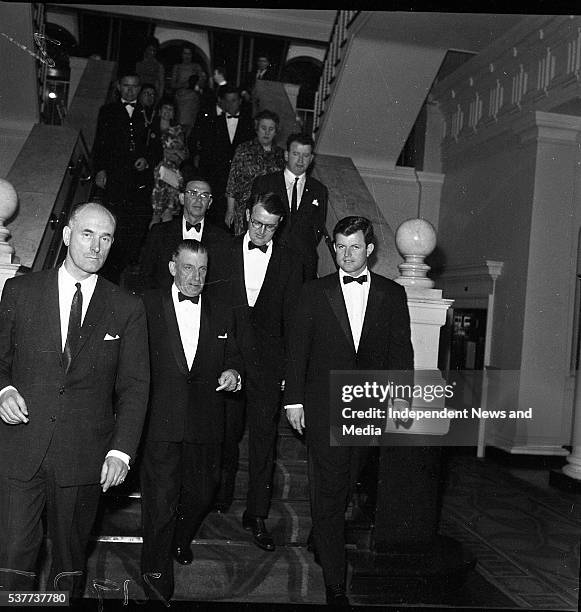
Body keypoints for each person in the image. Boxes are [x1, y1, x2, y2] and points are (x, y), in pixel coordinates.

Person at [0, 202, 150, 595]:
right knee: (12, 558)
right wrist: (4, 389)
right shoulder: (20, 290)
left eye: (106, 238)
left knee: (68, 564)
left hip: (84, 457)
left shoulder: (127, 307)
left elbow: (135, 387)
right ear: (67, 235)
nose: (96, 246)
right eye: (87, 234)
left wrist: (121, 452)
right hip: (21, 448)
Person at [284, 216, 414, 605]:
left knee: (346, 484)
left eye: (354, 247)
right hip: (323, 407)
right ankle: (335, 585)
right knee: (329, 487)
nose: (346, 254)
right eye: (340, 246)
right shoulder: (313, 292)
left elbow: (400, 351)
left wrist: (402, 397)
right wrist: (294, 400)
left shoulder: (392, 294)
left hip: (367, 409)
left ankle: (322, 531)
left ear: (370, 250)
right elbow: (297, 351)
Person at [140, 239, 242, 603]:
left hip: (205, 420)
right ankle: (154, 570)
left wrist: (233, 372)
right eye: (187, 268)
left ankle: (179, 539)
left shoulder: (222, 311)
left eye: (202, 270)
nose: (195, 277)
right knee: (161, 499)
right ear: (172, 268)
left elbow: (234, 357)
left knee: (202, 492)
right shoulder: (146, 305)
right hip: (160, 420)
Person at [215, 193, 302, 552]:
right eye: (256, 223)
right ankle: (219, 495)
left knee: (264, 442)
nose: (262, 231)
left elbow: (294, 323)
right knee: (223, 433)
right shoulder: (221, 251)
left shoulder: (291, 262)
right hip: (227, 360)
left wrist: (287, 372)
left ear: (279, 225)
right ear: (247, 214)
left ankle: (257, 513)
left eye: (270, 226)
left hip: (268, 365)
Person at [93, 73, 155, 283]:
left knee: (136, 221)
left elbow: (156, 145)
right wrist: (100, 170)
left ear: (139, 88)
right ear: (119, 87)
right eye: (126, 86)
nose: (130, 90)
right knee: (114, 220)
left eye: (134, 86)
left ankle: (129, 259)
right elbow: (100, 142)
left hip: (139, 179)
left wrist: (147, 159)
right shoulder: (108, 111)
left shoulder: (148, 112)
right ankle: (112, 267)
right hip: (116, 176)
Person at [251, 133, 328, 281]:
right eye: (295, 154)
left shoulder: (319, 190)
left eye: (306, 155)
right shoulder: (265, 183)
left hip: (303, 263)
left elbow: (317, 227)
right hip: (268, 258)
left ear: (311, 159)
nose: (300, 160)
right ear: (286, 155)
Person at [140, 176, 232, 296]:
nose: (198, 200)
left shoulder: (222, 238)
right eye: (193, 193)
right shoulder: (159, 232)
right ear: (182, 198)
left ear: (209, 203)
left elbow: (222, 283)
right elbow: (146, 275)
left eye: (204, 195)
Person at [188, 85, 254, 229]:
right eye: (228, 101)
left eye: (234, 100)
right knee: (216, 221)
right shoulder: (212, 122)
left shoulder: (250, 123)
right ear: (222, 102)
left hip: (240, 182)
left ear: (240, 101)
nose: (231, 104)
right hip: (217, 181)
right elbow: (206, 154)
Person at [225, 109, 285, 234]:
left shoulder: (281, 154)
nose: (267, 132)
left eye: (271, 129)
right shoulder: (244, 149)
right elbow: (232, 181)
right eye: (263, 128)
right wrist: (230, 210)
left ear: (276, 132)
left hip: (270, 211)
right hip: (244, 209)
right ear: (257, 128)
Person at [150, 99, 187, 225]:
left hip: (170, 172)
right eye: (165, 108)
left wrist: (168, 153)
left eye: (170, 109)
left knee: (168, 211)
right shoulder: (151, 127)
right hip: (153, 173)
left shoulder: (178, 130)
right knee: (155, 213)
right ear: (159, 111)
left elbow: (181, 153)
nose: (167, 112)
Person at [171, 46, 203, 129]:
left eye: (189, 53)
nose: (187, 56)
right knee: (180, 124)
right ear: (181, 54)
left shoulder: (196, 67)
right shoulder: (177, 67)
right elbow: (172, 84)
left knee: (191, 125)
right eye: (185, 53)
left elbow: (201, 82)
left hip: (192, 99)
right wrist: (184, 84)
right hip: (180, 98)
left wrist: (195, 85)